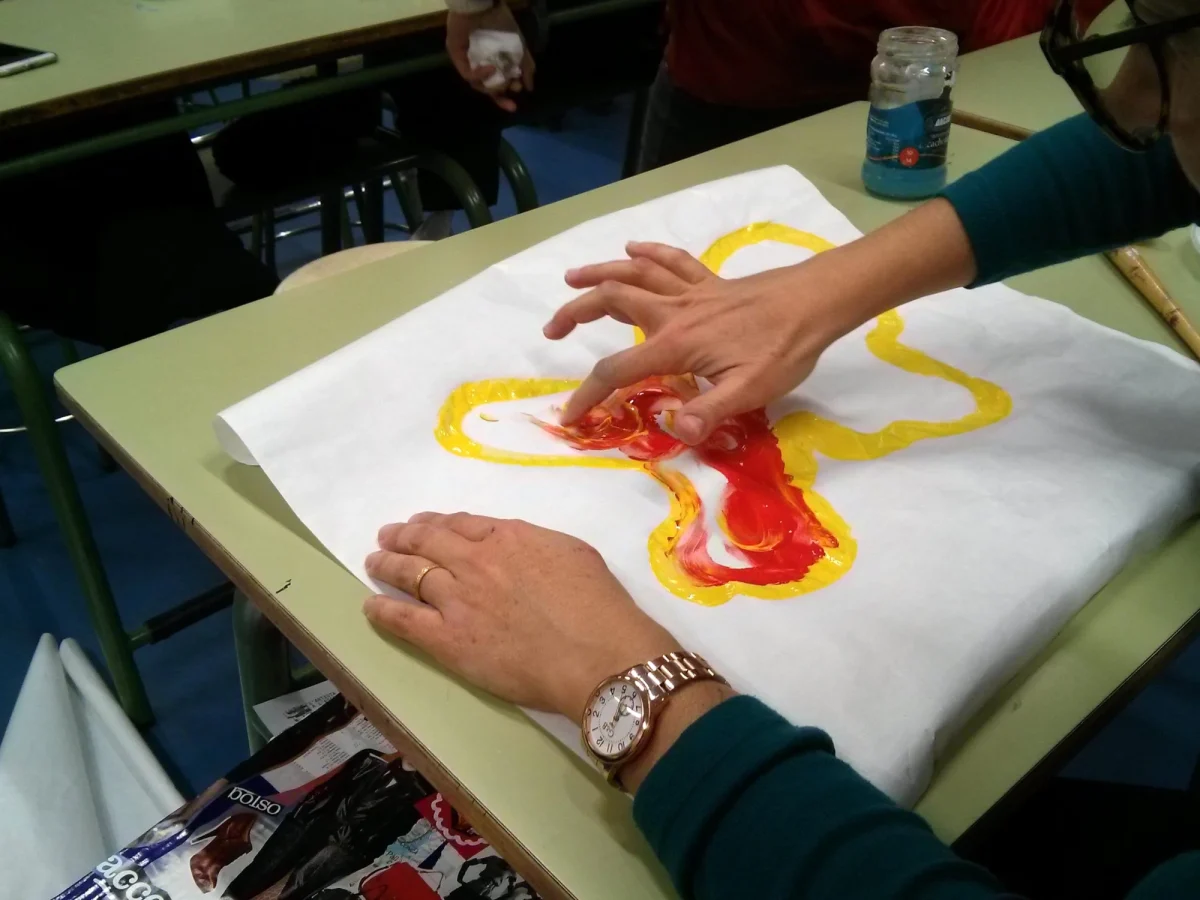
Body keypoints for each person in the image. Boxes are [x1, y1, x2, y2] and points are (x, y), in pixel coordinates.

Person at [361, 2, 1200, 897]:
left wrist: (631, 690)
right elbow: (1147, 163)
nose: (1129, 101)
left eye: (1163, 48)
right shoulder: (1158, 121)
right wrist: (824, 288)